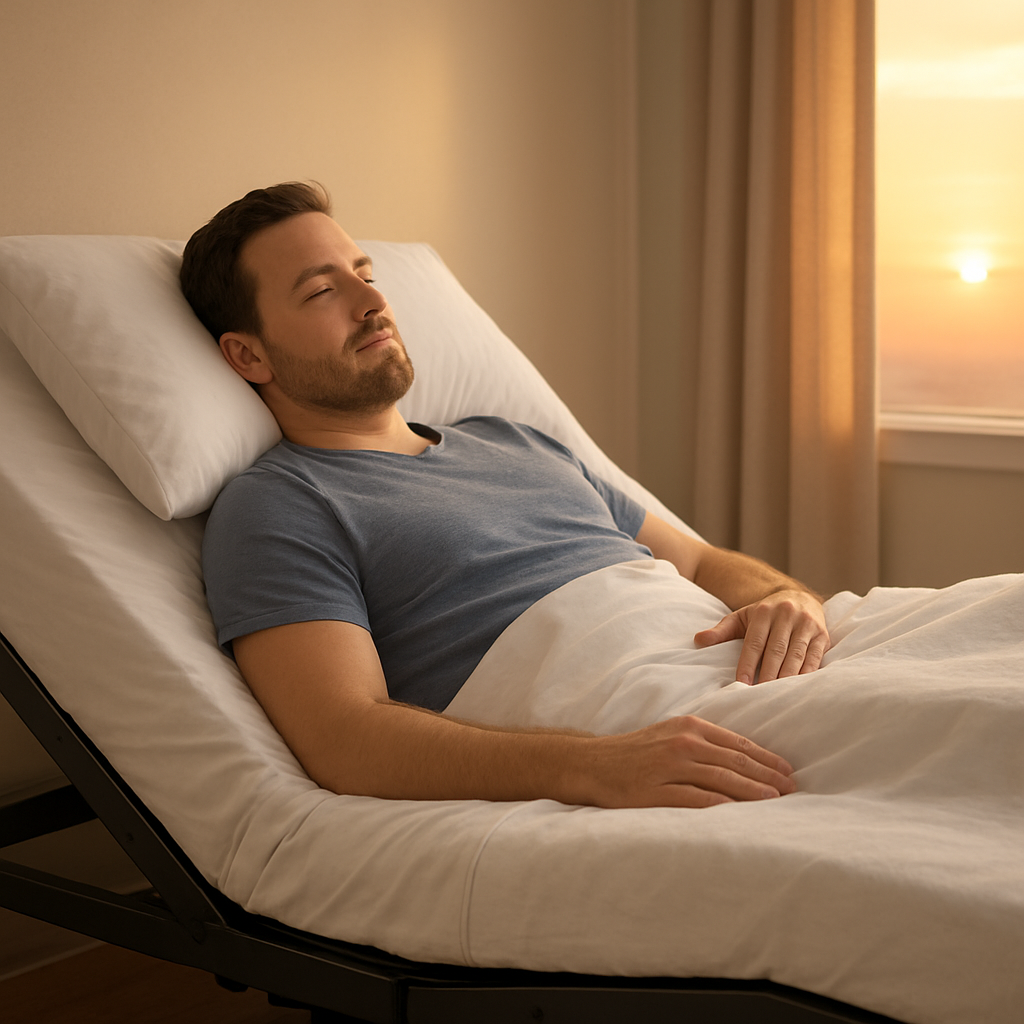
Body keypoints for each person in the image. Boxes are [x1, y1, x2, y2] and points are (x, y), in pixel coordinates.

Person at [181, 182, 830, 812]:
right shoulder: (279, 506)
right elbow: (343, 737)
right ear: (248, 356)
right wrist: (598, 764)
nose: (370, 302)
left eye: (366, 274)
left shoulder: (513, 441)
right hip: (652, 718)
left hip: (759, 670)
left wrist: (782, 598)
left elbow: (699, 562)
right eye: (323, 291)